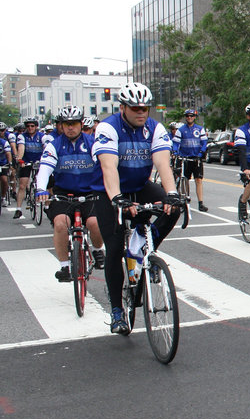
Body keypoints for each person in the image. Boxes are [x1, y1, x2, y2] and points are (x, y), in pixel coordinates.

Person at [93, 82, 182, 334]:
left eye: (145, 108)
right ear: (123, 108)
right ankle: (117, 311)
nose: (141, 112)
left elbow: (162, 163)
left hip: (140, 185)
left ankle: (144, 245)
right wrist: (118, 199)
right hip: (109, 191)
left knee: (172, 208)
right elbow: (109, 167)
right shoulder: (108, 127)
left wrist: (172, 194)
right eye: (135, 108)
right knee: (113, 249)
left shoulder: (155, 128)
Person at [35, 106, 106, 281]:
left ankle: (97, 250)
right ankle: (65, 267)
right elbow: (45, 167)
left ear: (81, 124)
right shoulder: (55, 145)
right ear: (61, 125)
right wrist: (41, 189)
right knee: (60, 224)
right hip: (64, 193)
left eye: (73, 124)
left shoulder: (92, 143)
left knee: (94, 223)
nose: (70, 128)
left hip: (90, 192)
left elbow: (103, 164)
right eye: (66, 124)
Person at [171, 108, 209, 212]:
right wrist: (175, 151)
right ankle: (185, 200)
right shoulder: (181, 130)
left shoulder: (200, 129)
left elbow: (204, 142)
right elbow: (176, 143)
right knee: (185, 179)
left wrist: (201, 152)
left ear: (195, 117)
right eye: (187, 116)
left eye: (191, 116)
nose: (189, 118)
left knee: (198, 180)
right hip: (185, 158)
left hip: (196, 158)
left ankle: (201, 203)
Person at [13, 116, 44, 220]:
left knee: (46, 183)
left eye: (32, 126)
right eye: (28, 126)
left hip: (39, 162)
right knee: (22, 185)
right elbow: (21, 148)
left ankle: (47, 206)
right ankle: (18, 209)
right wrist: (20, 159)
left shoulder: (42, 136)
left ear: (36, 126)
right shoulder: (22, 136)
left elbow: (46, 148)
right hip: (26, 162)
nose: (30, 128)